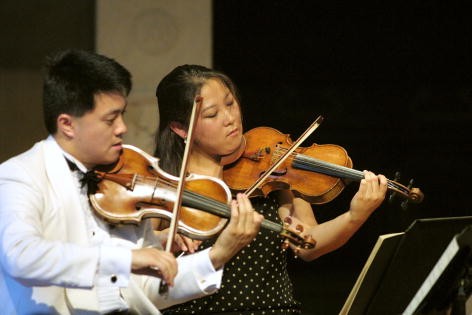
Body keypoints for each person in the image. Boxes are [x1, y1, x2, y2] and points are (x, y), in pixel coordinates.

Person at [0, 50, 263, 315]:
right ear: (67, 125)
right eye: (110, 119)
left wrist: (217, 255)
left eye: (122, 115)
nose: (122, 128)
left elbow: (148, 289)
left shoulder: (126, 185)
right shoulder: (20, 175)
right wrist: (127, 259)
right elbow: (21, 257)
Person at [153, 64, 388, 314]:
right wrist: (170, 235)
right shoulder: (167, 184)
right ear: (180, 129)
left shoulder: (270, 175)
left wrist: (355, 216)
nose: (230, 118)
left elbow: (309, 243)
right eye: (212, 115)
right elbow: (136, 260)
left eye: (230, 103)